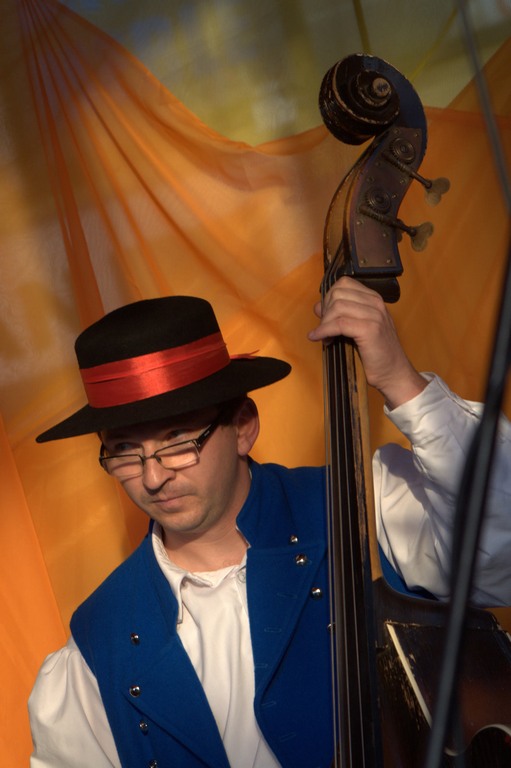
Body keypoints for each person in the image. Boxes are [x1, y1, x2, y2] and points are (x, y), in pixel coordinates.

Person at [28, 277, 511, 768]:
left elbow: (502, 547)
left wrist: (403, 383)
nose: (153, 477)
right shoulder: (95, 648)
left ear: (243, 427)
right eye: (125, 450)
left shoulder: (369, 509)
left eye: (177, 440)